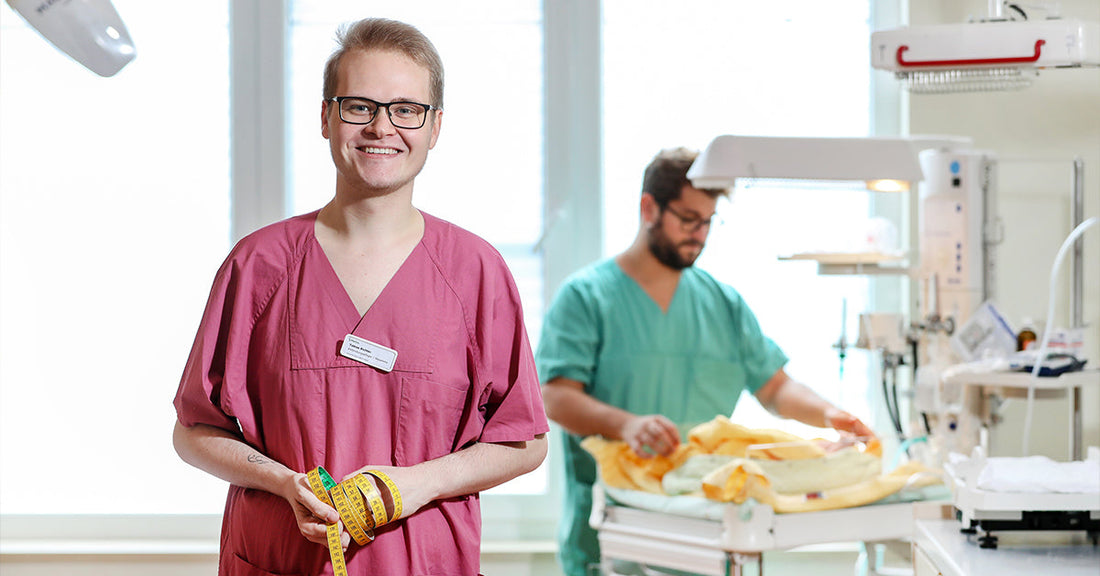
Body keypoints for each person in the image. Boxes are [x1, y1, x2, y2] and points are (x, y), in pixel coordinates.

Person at [172, 18, 548, 576]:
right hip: (280, 557)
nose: (381, 127)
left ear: (435, 126)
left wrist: (416, 484)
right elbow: (194, 431)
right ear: (326, 117)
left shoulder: (476, 272)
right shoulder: (258, 266)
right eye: (359, 106)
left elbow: (525, 442)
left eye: (405, 109)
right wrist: (283, 482)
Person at [535, 147, 875, 576]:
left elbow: (775, 387)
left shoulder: (722, 304)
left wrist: (830, 415)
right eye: (688, 219)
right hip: (615, 529)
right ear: (649, 208)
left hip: (706, 530)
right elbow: (555, 396)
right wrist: (628, 425)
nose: (699, 234)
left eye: (708, 222)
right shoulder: (586, 297)